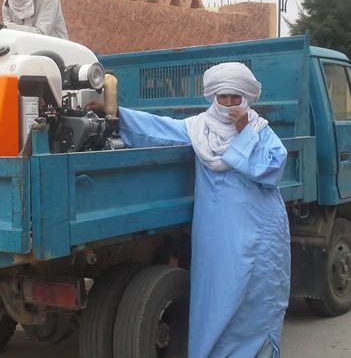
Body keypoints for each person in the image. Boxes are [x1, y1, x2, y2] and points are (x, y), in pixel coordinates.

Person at [101, 63, 291, 357]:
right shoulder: (199, 129)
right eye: (224, 97)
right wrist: (115, 115)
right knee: (218, 298)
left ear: (246, 98)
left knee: (257, 301)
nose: (230, 104)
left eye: (236, 98)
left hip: (262, 234)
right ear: (214, 97)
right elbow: (157, 130)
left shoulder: (259, 130)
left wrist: (244, 133)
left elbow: (272, 168)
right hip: (219, 236)